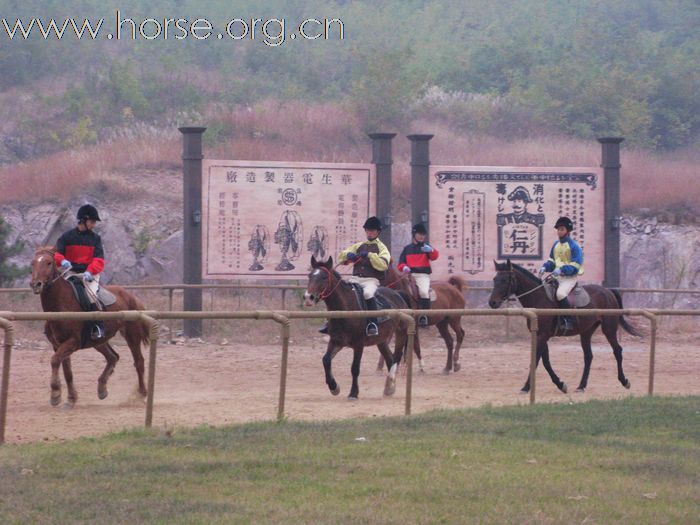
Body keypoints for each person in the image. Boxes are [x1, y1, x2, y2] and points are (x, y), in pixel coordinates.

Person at [319, 216, 390, 337]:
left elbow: (383, 265)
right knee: (341, 291)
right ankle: (330, 321)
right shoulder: (359, 245)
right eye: (368, 230)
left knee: (367, 294)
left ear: (378, 232)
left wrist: (370, 255)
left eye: (372, 230)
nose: (370, 233)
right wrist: (349, 255)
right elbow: (341, 257)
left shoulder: (382, 248)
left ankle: (372, 324)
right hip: (355, 279)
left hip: (371, 280)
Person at [54, 204, 106, 340]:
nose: (94, 224)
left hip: (89, 274)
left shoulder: (96, 239)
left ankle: (97, 326)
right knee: (57, 292)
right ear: (83, 220)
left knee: (92, 295)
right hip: (71, 272)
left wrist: (90, 271)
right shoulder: (66, 237)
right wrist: (63, 261)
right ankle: (53, 325)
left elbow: (99, 260)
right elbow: (57, 254)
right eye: (92, 222)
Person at [538, 216, 583, 331]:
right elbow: (552, 262)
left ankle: (569, 320)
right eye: (558, 229)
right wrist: (545, 267)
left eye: (562, 229)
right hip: (556, 276)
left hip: (569, 277)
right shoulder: (555, 245)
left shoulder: (575, 246)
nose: (559, 231)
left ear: (568, 231)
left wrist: (562, 269)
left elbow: (576, 266)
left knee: (560, 294)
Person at [397, 223, 439, 326]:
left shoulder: (426, 247)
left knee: (424, 292)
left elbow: (434, 257)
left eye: (423, 234)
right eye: (420, 234)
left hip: (422, 275)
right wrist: (404, 267)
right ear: (414, 234)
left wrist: (432, 250)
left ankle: (424, 316)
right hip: (409, 275)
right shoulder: (407, 249)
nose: (422, 236)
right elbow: (400, 263)